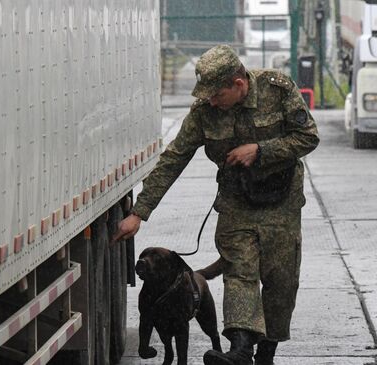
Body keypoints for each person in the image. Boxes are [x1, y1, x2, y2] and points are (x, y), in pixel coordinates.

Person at [113, 45, 319, 365]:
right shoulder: (204, 112)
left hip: (281, 204)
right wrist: (140, 212)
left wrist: (260, 150)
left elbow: (308, 137)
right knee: (239, 272)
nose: (211, 101)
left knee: (281, 282)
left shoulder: (277, 90)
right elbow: (174, 158)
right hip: (236, 201)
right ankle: (239, 350)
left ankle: (266, 352)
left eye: (217, 94)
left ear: (239, 84)